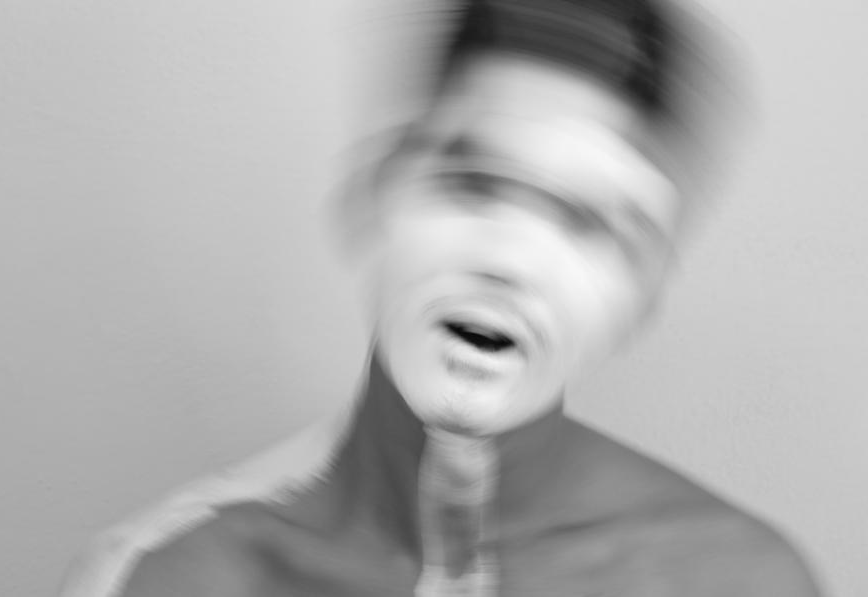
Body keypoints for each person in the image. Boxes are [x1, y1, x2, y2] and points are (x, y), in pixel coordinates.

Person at [59, 0, 824, 595]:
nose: (510, 259)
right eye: (473, 182)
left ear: (641, 295)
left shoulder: (737, 579)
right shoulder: (163, 575)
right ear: (374, 196)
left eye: (588, 221)